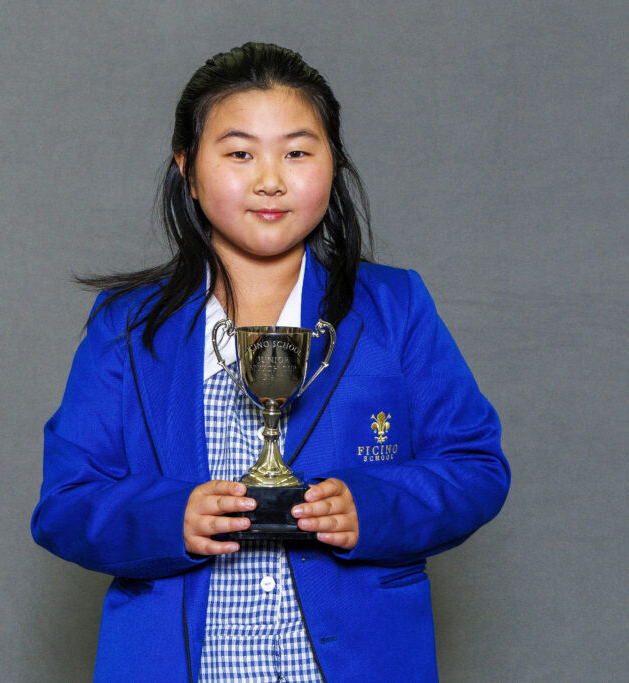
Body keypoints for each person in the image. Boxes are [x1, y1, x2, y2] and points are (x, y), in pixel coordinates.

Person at [31, 42, 510, 682]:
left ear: (332, 165)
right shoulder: (126, 326)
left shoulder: (395, 307)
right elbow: (65, 503)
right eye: (238, 153)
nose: (270, 179)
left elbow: (475, 467)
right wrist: (169, 518)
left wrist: (374, 507)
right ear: (188, 170)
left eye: (297, 151)